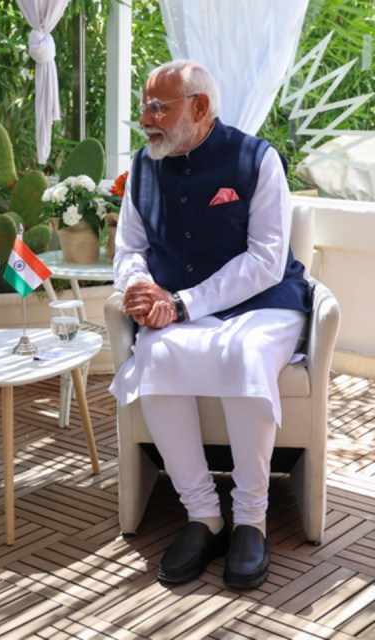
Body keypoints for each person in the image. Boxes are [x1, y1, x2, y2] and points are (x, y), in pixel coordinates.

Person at [109, 60, 312, 589]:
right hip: (178, 306)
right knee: (154, 355)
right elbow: (129, 248)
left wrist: (180, 303)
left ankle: (251, 518)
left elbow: (266, 259)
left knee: (244, 355)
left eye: (160, 106)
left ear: (199, 107)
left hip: (265, 305)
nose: (146, 117)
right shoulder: (143, 165)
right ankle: (203, 514)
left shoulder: (257, 159)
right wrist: (138, 286)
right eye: (145, 105)